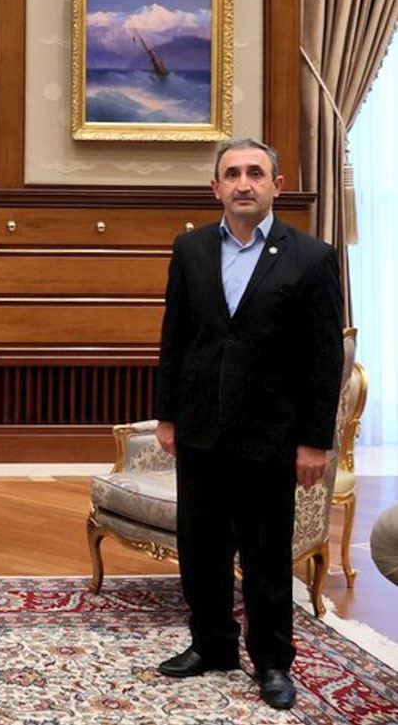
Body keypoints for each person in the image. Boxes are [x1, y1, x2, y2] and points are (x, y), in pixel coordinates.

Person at [155, 138, 343, 710]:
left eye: (255, 173)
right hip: (201, 431)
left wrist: (315, 441)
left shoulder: (311, 257)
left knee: (265, 557)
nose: (244, 183)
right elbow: (175, 337)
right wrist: (167, 415)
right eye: (232, 174)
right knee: (201, 549)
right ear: (215, 188)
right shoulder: (190, 249)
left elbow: (323, 359)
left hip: (272, 436)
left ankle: (273, 662)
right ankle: (212, 644)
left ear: (276, 186)